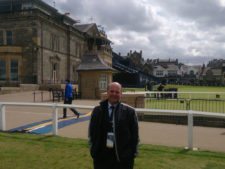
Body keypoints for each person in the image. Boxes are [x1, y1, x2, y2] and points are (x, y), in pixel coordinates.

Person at [89, 82, 139, 169]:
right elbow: (92, 133)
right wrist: (93, 151)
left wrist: (131, 154)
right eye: (112, 91)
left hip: (122, 159)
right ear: (107, 92)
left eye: (117, 92)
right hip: (101, 158)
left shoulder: (129, 112)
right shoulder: (97, 110)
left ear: (121, 94)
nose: (114, 94)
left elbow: (135, 137)